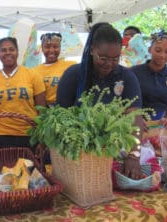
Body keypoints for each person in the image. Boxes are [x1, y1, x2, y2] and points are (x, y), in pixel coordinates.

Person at [56, 22, 143, 180]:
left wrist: (134, 155)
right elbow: (60, 116)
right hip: (77, 156)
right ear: (92, 50)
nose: (109, 64)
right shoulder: (73, 75)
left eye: (115, 59)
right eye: (102, 58)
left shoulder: (127, 78)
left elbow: (135, 117)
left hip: (113, 155)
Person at [0, 37, 45, 151]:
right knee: (4, 169)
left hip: (29, 134)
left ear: (17, 52)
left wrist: (42, 139)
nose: (8, 53)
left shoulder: (33, 75)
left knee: (28, 168)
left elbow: (41, 110)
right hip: (1, 135)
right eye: (3, 50)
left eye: (11, 49)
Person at [131, 30, 167, 129]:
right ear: (150, 49)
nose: (162, 55)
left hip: (159, 131)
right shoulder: (133, 73)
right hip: (133, 129)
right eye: (158, 50)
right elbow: (123, 103)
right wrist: (136, 119)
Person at [31, 32, 76, 106]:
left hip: (66, 111)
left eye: (55, 47)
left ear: (60, 47)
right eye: (47, 47)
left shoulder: (71, 65)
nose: (51, 50)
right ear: (42, 48)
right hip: (44, 112)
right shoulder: (34, 71)